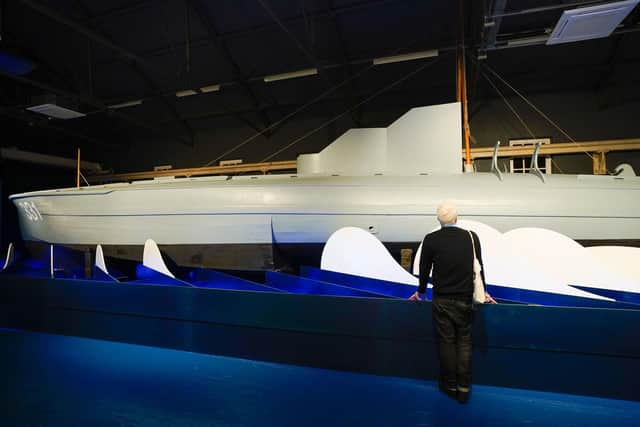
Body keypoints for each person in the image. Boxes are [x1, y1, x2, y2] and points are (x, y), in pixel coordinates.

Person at [408, 201, 496, 403]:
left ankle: (449, 385)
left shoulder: (431, 240)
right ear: (457, 218)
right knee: (464, 342)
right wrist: (486, 292)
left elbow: (424, 270)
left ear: (439, 221)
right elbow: (479, 268)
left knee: (447, 342)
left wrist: (420, 292)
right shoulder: (471, 237)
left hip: (442, 300)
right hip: (465, 299)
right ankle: (464, 388)